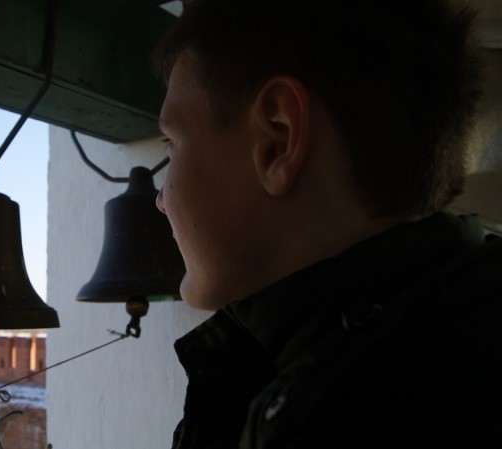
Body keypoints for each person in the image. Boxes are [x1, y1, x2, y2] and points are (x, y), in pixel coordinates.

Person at [152, 0, 502, 448]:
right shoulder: (460, 344)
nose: (160, 200)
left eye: (172, 143)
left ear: (277, 141)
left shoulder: (359, 414)